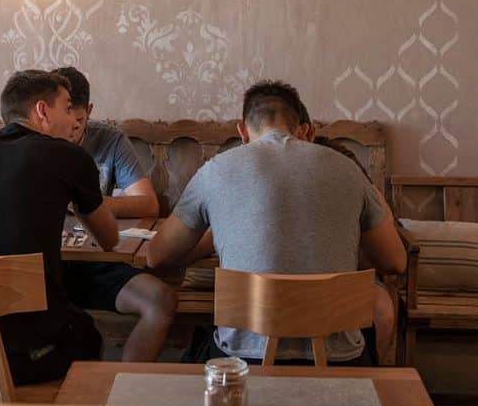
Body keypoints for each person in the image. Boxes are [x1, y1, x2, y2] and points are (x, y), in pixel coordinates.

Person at [148, 79, 407, 365]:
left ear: (242, 132)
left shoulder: (216, 171)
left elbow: (157, 255)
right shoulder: (347, 169)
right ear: (303, 130)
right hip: (340, 362)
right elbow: (396, 262)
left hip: (244, 360)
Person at [0, 70, 119, 385]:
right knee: (87, 333)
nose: (74, 122)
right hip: (30, 360)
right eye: (67, 109)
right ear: (42, 111)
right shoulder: (68, 156)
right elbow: (109, 239)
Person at [54, 66, 177, 361]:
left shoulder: (108, 140)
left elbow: (148, 205)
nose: (71, 130)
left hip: (97, 263)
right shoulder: (35, 146)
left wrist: (93, 203)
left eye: (79, 121)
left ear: (89, 112)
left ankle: (126, 397)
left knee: (160, 299)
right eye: (65, 120)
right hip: (46, 267)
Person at [295, 99, 398, 364]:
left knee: (383, 308)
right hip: (297, 269)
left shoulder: (356, 182)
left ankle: (370, 372)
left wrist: (375, 199)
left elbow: (393, 259)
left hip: (351, 273)